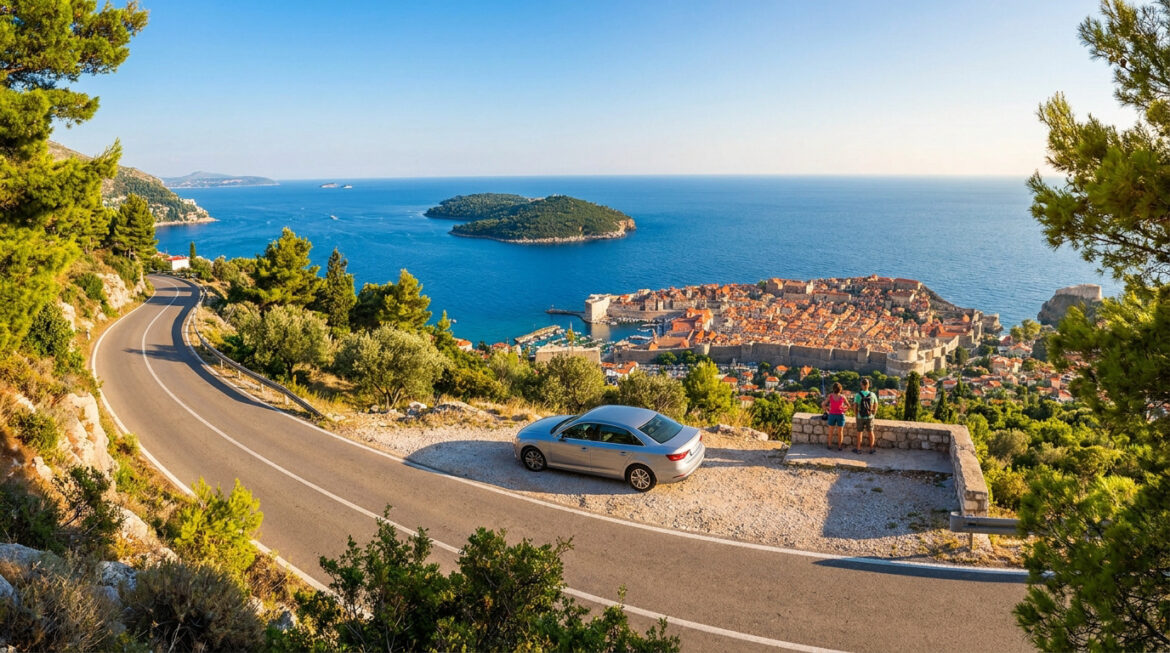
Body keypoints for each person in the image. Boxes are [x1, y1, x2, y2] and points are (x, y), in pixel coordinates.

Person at [820, 382, 850, 451]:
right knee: (840, 432)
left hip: (832, 414)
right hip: (840, 415)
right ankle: (839, 446)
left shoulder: (830, 396)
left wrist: (827, 409)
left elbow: (823, 404)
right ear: (840, 389)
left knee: (830, 431)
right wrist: (844, 409)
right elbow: (848, 405)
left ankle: (829, 445)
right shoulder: (843, 397)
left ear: (833, 389)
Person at [853, 378, 879, 454]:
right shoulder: (873, 395)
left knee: (859, 432)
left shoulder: (858, 395)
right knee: (871, 432)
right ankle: (871, 449)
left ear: (861, 385)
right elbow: (876, 405)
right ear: (868, 385)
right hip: (869, 416)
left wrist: (856, 414)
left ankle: (858, 449)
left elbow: (855, 406)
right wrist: (873, 414)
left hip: (860, 416)